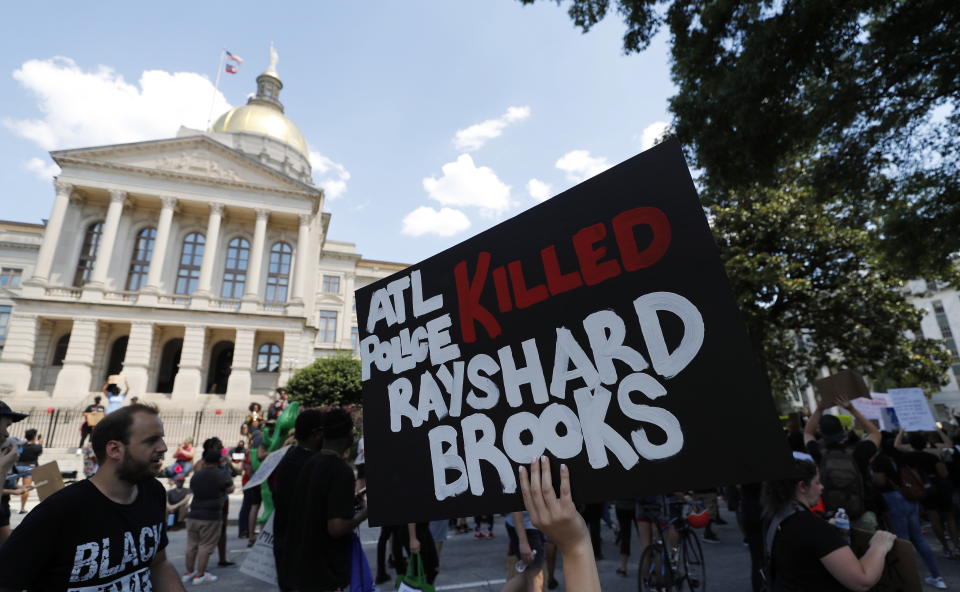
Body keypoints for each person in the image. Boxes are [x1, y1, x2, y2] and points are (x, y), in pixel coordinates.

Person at [0, 404, 184, 591]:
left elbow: (159, 563)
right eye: (151, 440)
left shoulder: (154, 492)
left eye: (161, 438)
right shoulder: (59, 511)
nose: (163, 447)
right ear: (114, 449)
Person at [763, 458, 897, 591]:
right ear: (802, 486)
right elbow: (862, 581)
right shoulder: (813, 527)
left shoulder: (773, 517)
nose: (821, 487)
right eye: (817, 482)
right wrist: (879, 546)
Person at [282, 407, 368, 592]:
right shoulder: (340, 470)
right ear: (349, 436)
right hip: (324, 574)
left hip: (300, 568)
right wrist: (365, 513)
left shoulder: (310, 462)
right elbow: (336, 528)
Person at [870, 434, 946, 587]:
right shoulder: (903, 455)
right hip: (910, 496)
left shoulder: (880, 460)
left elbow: (880, 481)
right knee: (918, 538)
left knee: (903, 540)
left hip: (893, 499)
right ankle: (936, 576)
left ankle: (909, 578)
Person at [517, 456, 600, 592]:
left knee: (534, 572)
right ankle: (550, 577)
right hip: (535, 529)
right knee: (534, 572)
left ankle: (550, 577)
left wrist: (574, 545)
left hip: (541, 526)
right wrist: (574, 545)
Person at [269, 408, 325, 590]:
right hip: (307, 550)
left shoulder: (284, 458)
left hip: (284, 544)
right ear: (316, 434)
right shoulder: (317, 464)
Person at [804, 395, 881, 521]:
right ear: (842, 430)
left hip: (834, 515)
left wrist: (819, 409)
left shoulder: (818, 451)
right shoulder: (858, 451)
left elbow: (807, 433)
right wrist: (851, 409)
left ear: (822, 433)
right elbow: (875, 433)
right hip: (863, 511)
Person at [181, 446, 234, 584]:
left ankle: (188, 572)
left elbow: (193, 489)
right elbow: (230, 488)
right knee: (205, 545)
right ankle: (200, 575)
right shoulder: (221, 474)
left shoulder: (196, 474)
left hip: (193, 514)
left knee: (191, 544)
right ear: (219, 461)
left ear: (204, 460)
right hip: (211, 515)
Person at [501, 511, 545, 592]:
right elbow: (516, 508)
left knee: (529, 575)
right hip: (527, 528)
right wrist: (523, 541)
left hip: (528, 526)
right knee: (535, 577)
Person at [15, 428, 42, 513]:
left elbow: (17, 455)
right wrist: (40, 444)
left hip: (18, 467)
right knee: (26, 488)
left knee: (11, 486)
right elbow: (39, 454)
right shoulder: (37, 447)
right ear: (34, 436)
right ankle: (22, 508)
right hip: (29, 468)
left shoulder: (21, 446)